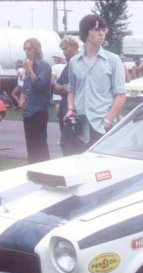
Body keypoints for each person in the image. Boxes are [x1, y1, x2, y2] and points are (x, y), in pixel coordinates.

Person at [65, 14, 126, 151]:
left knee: (103, 170)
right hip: (80, 125)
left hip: (102, 125)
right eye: (96, 29)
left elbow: (120, 95)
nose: (101, 33)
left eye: (103, 30)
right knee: (79, 166)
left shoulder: (113, 60)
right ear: (85, 33)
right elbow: (72, 90)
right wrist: (70, 109)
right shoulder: (74, 61)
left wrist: (107, 121)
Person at [19, 38, 51, 164]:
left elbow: (40, 85)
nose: (27, 51)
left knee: (40, 145)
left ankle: (44, 171)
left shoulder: (44, 66)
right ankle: (32, 170)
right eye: (25, 49)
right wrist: (22, 97)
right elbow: (26, 86)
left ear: (36, 49)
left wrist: (30, 69)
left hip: (39, 110)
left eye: (29, 49)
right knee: (31, 145)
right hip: (28, 110)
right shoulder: (29, 66)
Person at [53, 36, 79, 155]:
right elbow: (56, 87)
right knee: (64, 141)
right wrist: (62, 87)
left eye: (65, 49)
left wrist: (64, 88)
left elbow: (74, 87)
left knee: (70, 142)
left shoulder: (79, 64)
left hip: (74, 107)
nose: (64, 52)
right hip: (63, 106)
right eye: (62, 49)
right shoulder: (67, 66)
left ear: (74, 48)